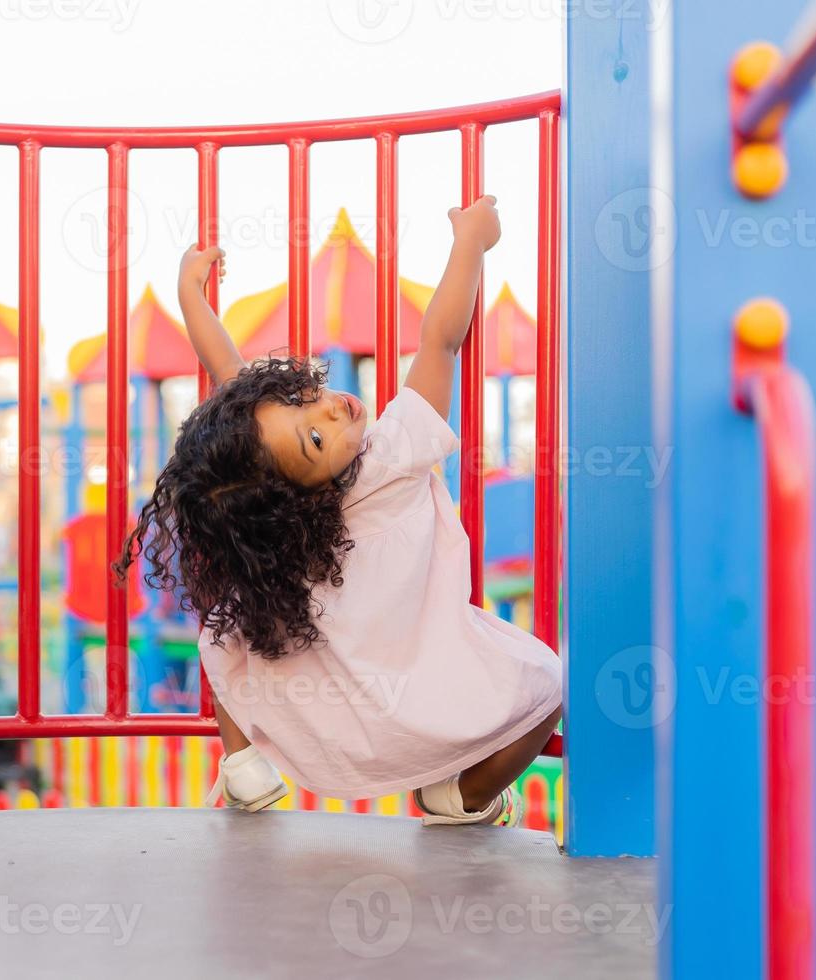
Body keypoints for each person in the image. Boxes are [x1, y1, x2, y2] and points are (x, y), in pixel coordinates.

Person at [116, 197, 562, 825]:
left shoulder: (277, 529)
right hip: (414, 683)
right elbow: (441, 340)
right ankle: (461, 796)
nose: (331, 413)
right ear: (294, 495)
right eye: (317, 442)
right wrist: (471, 245)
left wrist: (193, 300)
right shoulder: (392, 459)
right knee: (546, 684)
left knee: (225, 625)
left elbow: (227, 376)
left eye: (304, 401)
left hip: (326, 706)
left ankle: (242, 764)